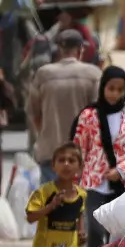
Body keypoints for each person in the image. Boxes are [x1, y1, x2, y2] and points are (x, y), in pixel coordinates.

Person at [72, 67, 125, 247]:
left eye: (119, 89)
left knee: (121, 233)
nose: (115, 94)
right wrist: (74, 184)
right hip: (93, 183)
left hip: (123, 184)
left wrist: (122, 170)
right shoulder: (88, 115)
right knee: (95, 232)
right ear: (103, 87)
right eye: (111, 88)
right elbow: (78, 150)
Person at [27, 29, 102, 185]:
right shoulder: (93, 74)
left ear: (59, 49)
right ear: (81, 49)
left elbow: (33, 113)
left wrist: (44, 135)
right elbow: (98, 115)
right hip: (82, 153)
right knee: (79, 202)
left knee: (51, 202)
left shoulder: (44, 74)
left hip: (51, 151)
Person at [25, 143, 86, 247]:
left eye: (71, 161)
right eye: (61, 160)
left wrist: (81, 232)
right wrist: (51, 206)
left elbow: (80, 214)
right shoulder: (43, 193)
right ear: (53, 166)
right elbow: (31, 217)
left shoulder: (81, 194)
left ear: (80, 167)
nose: (66, 164)